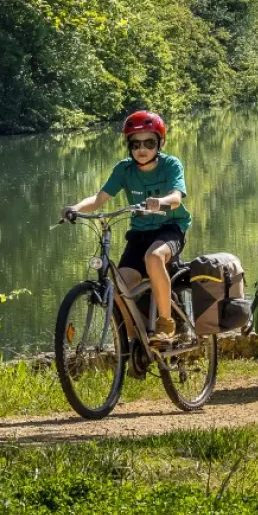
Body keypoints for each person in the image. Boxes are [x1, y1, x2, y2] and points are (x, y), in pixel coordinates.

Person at [63, 110, 189, 347]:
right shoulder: (124, 169)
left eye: (149, 143)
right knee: (120, 283)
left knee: (154, 257)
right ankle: (133, 341)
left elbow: (176, 197)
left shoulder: (171, 165)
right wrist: (75, 208)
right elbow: (98, 199)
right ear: (129, 146)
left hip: (170, 228)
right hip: (139, 234)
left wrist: (160, 202)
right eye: (135, 144)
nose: (142, 149)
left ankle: (165, 323)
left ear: (160, 143)